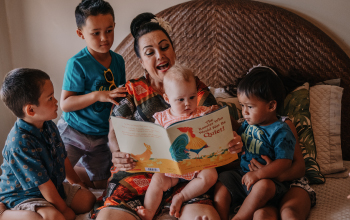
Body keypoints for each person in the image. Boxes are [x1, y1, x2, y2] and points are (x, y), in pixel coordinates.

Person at [93, 12, 243, 220]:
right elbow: (114, 134)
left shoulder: (194, 87)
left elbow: (217, 122)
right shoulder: (130, 91)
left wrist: (232, 139)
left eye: (164, 47)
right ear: (141, 62)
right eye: (150, 52)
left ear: (173, 51)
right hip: (136, 173)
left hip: (188, 178)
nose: (160, 56)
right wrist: (116, 152)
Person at [0, 68, 96, 220]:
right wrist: (63, 209)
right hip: (24, 194)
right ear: (31, 110)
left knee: (87, 200)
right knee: (53, 217)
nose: (56, 101)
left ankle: (54, 205)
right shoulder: (19, 143)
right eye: (50, 98)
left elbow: (62, 156)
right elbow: (43, 184)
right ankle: (4, 213)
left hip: (52, 185)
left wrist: (77, 182)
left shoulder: (49, 125)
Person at [57, 0, 127, 189]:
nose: (104, 38)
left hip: (101, 136)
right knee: (56, 172)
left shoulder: (118, 61)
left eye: (109, 30)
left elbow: (120, 97)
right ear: (81, 34)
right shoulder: (77, 63)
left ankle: (82, 175)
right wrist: (98, 95)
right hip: (74, 131)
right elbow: (66, 104)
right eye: (96, 33)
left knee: (101, 184)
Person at [136, 64, 219, 220]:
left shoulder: (201, 113)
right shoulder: (161, 117)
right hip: (171, 170)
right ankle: (149, 211)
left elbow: (215, 129)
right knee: (157, 180)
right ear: (167, 98)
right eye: (180, 99)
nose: (187, 103)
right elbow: (154, 141)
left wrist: (214, 115)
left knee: (211, 176)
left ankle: (181, 196)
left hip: (197, 167)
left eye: (192, 97)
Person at [214, 66, 296, 220]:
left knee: (263, 186)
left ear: (271, 106)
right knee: (223, 180)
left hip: (268, 181)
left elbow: (285, 162)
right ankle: (221, 217)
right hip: (242, 176)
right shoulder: (248, 124)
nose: (244, 112)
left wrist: (259, 174)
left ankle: (240, 217)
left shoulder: (280, 131)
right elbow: (239, 138)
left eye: (250, 107)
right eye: (242, 105)